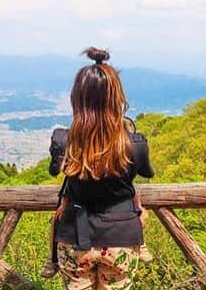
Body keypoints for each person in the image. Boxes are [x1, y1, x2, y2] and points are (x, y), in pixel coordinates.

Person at [40, 47, 154, 289]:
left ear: (77, 99)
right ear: (117, 99)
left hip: (75, 236)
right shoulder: (136, 145)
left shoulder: (63, 141)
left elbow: (54, 170)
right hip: (122, 236)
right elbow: (146, 173)